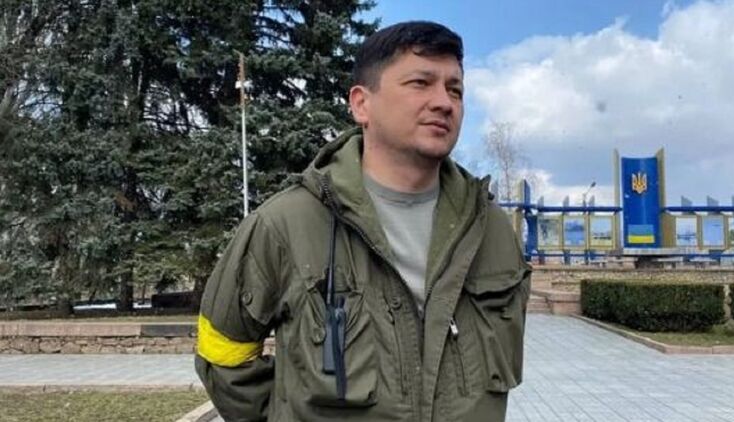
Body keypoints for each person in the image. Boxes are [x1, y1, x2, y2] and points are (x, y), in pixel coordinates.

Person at [195, 20, 531, 422]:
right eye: (421, 83)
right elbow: (221, 351)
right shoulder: (286, 224)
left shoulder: (491, 229)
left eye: (454, 89)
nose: (444, 102)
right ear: (361, 104)